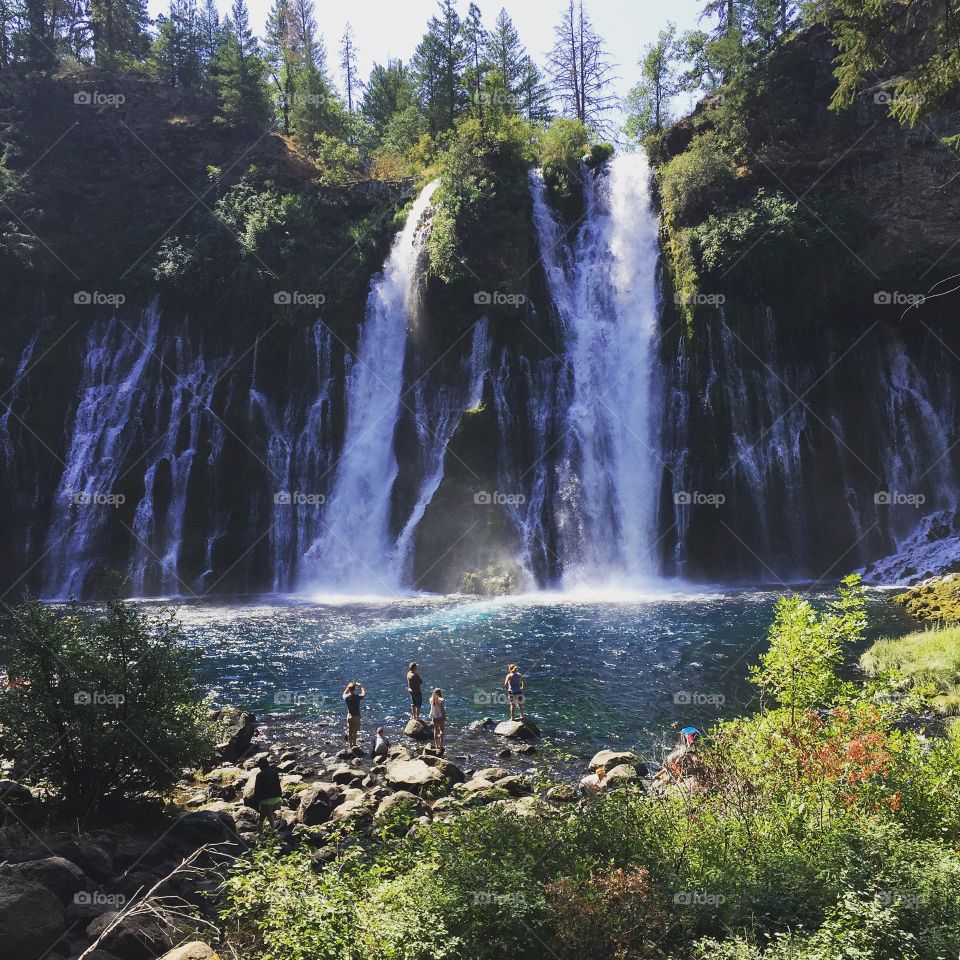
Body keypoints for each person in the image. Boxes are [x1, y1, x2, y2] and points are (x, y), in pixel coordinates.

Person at [249, 757, 284, 831]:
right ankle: (273, 830)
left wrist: (256, 801)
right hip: (276, 798)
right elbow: (278, 785)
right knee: (269, 813)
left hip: (266, 799)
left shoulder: (260, 775)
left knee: (261, 818)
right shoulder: (274, 773)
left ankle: (259, 833)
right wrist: (280, 795)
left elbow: (257, 789)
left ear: (261, 766)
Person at [343, 681, 366, 748]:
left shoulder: (346, 697)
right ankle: (354, 744)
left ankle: (350, 745)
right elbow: (363, 694)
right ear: (354, 689)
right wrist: (360, 687)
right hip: (356, 716)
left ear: (349, 689)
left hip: (349, 716)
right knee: (355, 731)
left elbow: (344, 693)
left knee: (350, 731)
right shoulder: (357, 697)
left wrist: (348, 687)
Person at [429, 688, 446, 753]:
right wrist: (444, 716)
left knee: (436, 730)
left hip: (434, 717)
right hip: (440, 716)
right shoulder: (441, 700)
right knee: (441, 730)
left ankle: (436, 745)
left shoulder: (431, 699)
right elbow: (442, 710)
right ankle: (441, 745)